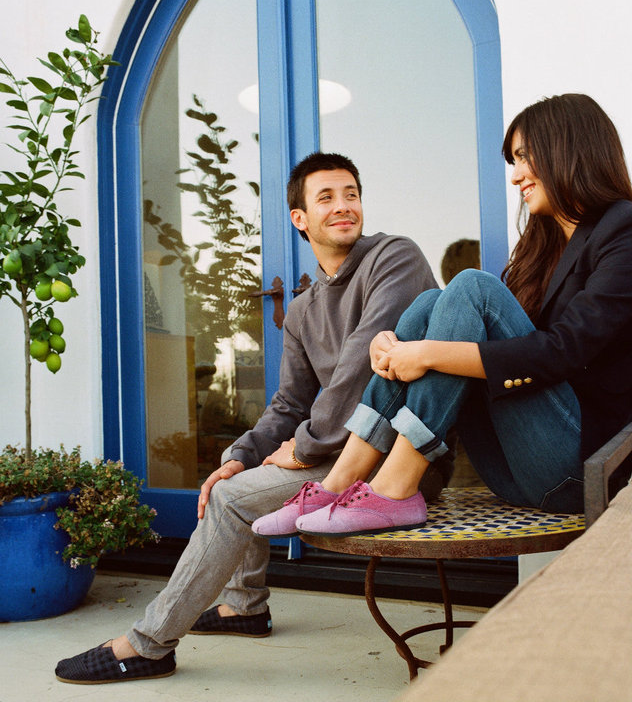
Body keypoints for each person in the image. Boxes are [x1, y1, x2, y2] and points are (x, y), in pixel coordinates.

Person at [55, 152, 438, 684]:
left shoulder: (394, 257)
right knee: (235, 471)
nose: (343, 206)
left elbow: (362, 365)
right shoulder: (302, 310)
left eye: (351, 194)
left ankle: (148, 645)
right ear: (299, 218)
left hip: (394, 460)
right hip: (336, 456)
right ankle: (243, 606)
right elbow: (289, 403)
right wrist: (241, 454)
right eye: (326, 198)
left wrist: (304, 446)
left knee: (233, 500)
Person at [254, 93, 632, 540]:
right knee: (430, 304)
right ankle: (338, 483)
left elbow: (563, 350)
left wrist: (427, 353)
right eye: (514, 161)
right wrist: (397, 345)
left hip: (580, 470)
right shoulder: (543, 247)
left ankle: (395, 488)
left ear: (567, 148)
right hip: (513, 471)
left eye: (524, 157)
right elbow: (503, 341)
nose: (516, 176)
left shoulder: (623, 228)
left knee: (472, 287)